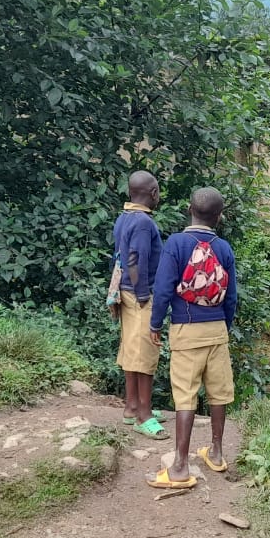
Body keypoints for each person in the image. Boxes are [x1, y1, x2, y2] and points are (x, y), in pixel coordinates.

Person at [145, 187, 237, 488]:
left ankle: (180, 467)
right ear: (219, 217)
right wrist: (223, 326)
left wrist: (156, 324)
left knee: (185, 396)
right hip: (217, 330)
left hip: (185, 330)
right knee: (219, 394)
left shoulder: (176, 243)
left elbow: (163, 289)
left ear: (189, 210)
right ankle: (217, 453)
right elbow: (231, 297)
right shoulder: (224, 248)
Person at [111, 170, 169, 441]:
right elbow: (135, 259)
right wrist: (143, 294)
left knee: (131, 349)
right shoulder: (144, 222)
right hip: (139, 294)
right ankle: (144, 416)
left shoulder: (124, 217)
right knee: (145, 352)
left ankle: (131, 406)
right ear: (153, 193)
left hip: (125, 291)